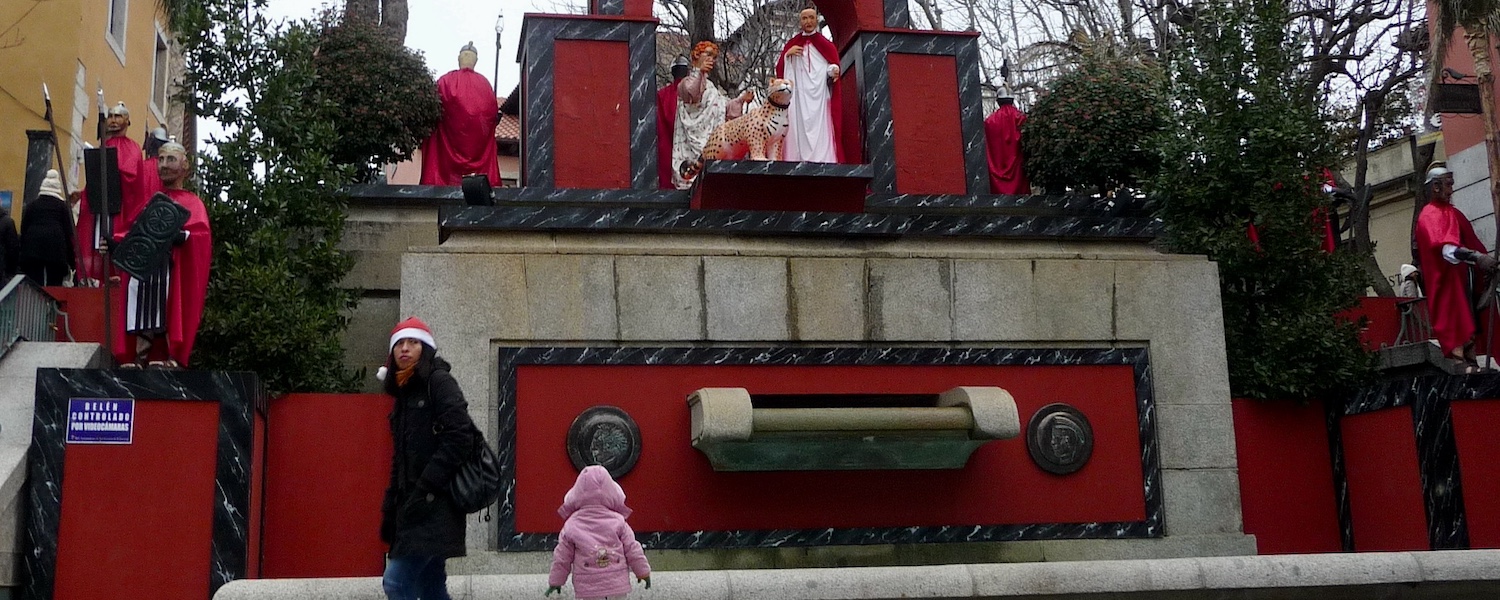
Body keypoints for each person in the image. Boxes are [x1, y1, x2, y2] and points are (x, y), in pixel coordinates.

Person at [379, 317, 477, 600]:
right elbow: (400, 458)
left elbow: (460, 437)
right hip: (410, 506)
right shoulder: (403, 394)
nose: (405, 349)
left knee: (396, 583)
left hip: (437, 503)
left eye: (413, 342)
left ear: (426, 349)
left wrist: (427, 486)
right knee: (431, 587)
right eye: (399, 343)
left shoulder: (439, 381)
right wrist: (390, 507)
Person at [118, 141, 212, 369]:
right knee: (141, 305)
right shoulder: (150, 202)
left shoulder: (193, 203)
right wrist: (115, 242)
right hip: (149, 270)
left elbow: (201, 237)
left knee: (172, 309)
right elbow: (133, 231)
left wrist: (185, 236)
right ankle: (140, 357)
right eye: (161, 159)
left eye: (170, 160)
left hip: (173, 270)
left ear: (184, 166)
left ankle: (173, 356)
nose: (164, 165)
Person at [1413, 164, 1497, 372]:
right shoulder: (1430, 215)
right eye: (1447, 185)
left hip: (1464, 279)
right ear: (1435, 187)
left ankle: (1472, 363)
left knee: (1469, 323)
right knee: (1456, 322)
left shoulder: (1451, 212)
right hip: (1447, 283)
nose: (1451, 190)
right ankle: (1463, 366)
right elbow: (1447, 250)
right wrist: (1477, 257)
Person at [76, 102, 160, 284]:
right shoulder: (103, 146)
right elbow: (97, 178)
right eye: (111, 116)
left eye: (118, 116)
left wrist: (112, 172)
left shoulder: (132, 147)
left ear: (127, 121)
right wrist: (85, 192)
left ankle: (116, 278)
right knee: (95, 242)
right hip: (100, 204)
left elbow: (131, 176)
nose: (113, 120)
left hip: (121, 207)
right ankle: (93, 279)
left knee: (113, 241)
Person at [546, 465, 652, 600]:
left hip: (588, 587)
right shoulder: (618, 521)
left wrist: (556, 580)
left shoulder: (572, 525)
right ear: (612, 492)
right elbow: (632, 548)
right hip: (616, 584)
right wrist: (642, 571)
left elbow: (562, 557)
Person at [671, 41, 752, 190]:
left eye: (714, 57)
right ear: (696, 55)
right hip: (692, 143)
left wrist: (741, 100)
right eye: (708, 54)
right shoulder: (686, 82)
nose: (711, 60)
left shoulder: (711, 86)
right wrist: (700, 72)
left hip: (711, 141)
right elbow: (692, 94)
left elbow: (723, 107)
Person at [421, 42, 502, 187]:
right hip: (479, 153)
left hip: (445, 153)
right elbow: (491, 117)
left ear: (459, 58)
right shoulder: (485, 85)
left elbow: (432, 110)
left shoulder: (445, 81)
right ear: (475, 60)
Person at [775, 6, 843, 163]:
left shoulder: (826, 45)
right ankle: (796, 158)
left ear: (816, 20)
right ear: (800, 22)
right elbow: (780, 71)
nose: (808, 21)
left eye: (811, 17)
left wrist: (832, 70)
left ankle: (824, 159)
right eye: (804, 18)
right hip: (799, 98)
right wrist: (787, 56)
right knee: (797, 125)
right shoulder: (793, 43)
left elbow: (832, 66)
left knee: (822, 128)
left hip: (819, 97)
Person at [18, 169, 76, 286]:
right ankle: (53, 303)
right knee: (54, 285)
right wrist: (72, 260)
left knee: (34, 285)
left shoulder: (32, 206)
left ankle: (34, 303)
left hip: (32, 249)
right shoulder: (63, 207)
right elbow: (69, 233)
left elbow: (24, 229)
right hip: (56, 251)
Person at [983, 94, 1030, 194]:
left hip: (997, 171)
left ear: (998, 101)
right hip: (1018, 170)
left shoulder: (990, 121)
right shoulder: (1020, 118)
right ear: (1011, 100)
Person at [657, 56, 691, 189]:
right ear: (688, 72)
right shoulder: (700, 94)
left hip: (667, 156)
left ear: (672, 72)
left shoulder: (662, 95)